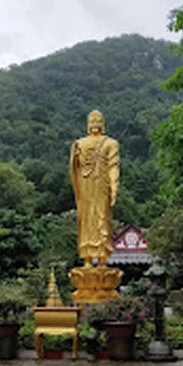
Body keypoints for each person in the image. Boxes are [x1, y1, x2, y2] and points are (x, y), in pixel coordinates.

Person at [69, 109, 119, 268]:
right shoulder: (80, 144)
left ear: (103, 124)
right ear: (87, 124)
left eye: (98, 121)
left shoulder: (110, 143)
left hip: (102, 186)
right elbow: (75, 168)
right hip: (85, 187)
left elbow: (113, 166)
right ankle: (87, 258)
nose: (95, 124)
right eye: (92, 121)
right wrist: (75, 156)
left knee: (102, 218)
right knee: (86, 220)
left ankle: (103, 258)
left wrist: (114, 186)